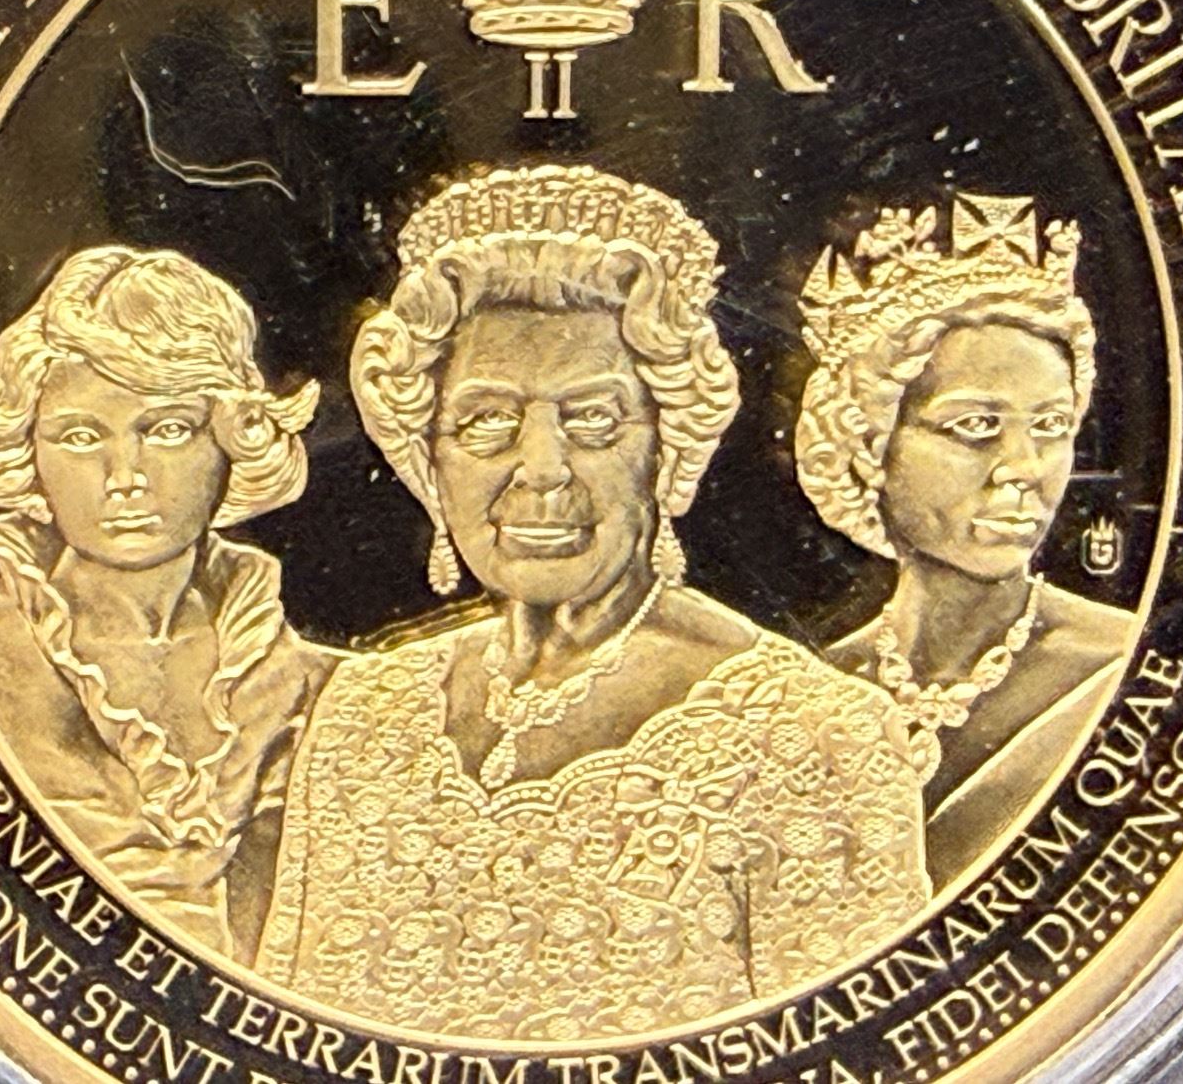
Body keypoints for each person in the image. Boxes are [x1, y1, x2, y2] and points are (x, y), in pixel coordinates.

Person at [255, 164, 928, 1041]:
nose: (541, 469)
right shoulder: (362, 715)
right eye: (486, 421)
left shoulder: (815, 734)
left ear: (667, 448)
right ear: (428, 454)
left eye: (595, 420)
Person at [0, 246, 338, 960]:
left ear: (233, 439)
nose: (125, 476)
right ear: (27, 450)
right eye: (80, 436)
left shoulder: (314, 688)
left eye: (168, 429)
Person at [795, 194, 1137, 893]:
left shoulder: (1126, 668)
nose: (1024, 467)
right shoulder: (809, 691)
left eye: (1051, 427)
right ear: (869, 443)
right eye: (976, 426)